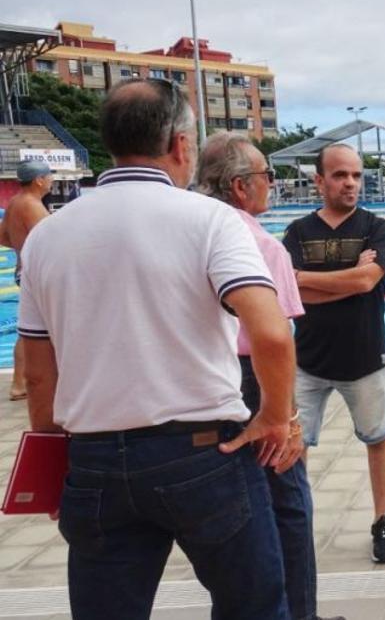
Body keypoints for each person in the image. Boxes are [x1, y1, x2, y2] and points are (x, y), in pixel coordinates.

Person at [18, 78, 296, 619]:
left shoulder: (48, 236)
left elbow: (38, 372)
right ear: (181, 145)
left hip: (94, 458)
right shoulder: (210, 220)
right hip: (203, 453)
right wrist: (275, 417)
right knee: (254, 608)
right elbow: (271, 332)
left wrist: (53, 463)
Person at [195, 133, 345, 620]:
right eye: (268, 176)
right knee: (288, 506)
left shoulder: (184, 232)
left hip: (196, 384)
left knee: (228, 514)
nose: (272, 185)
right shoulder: (259, 245)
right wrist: (288, 417)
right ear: (240, 186)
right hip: (251, 378)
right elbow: (276, 339)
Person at [282, 143, 385, 564]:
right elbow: (289, 290)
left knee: (378, 438)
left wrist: (309, 280)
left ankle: (382, 518)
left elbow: (367, 283)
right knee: (293, 447)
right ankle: (294, 525)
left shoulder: (377, 227)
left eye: (355, 175)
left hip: (365, 359)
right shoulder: (297, 231)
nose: (350, 183)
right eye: (339, 175)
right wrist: (348, 278)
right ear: (319, 180)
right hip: (307, 361)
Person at [0, 159, 53, 401]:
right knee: (41, 329)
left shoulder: (14, 203)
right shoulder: (32, 205)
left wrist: (22, 249)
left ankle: (19, 382)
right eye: (49, 176)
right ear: (38, 179)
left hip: (24, 269)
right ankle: (24, 382)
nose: (51, 180)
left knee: (28, 329)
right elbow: (53, 241)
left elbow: (2, 237)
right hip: (36, 272)